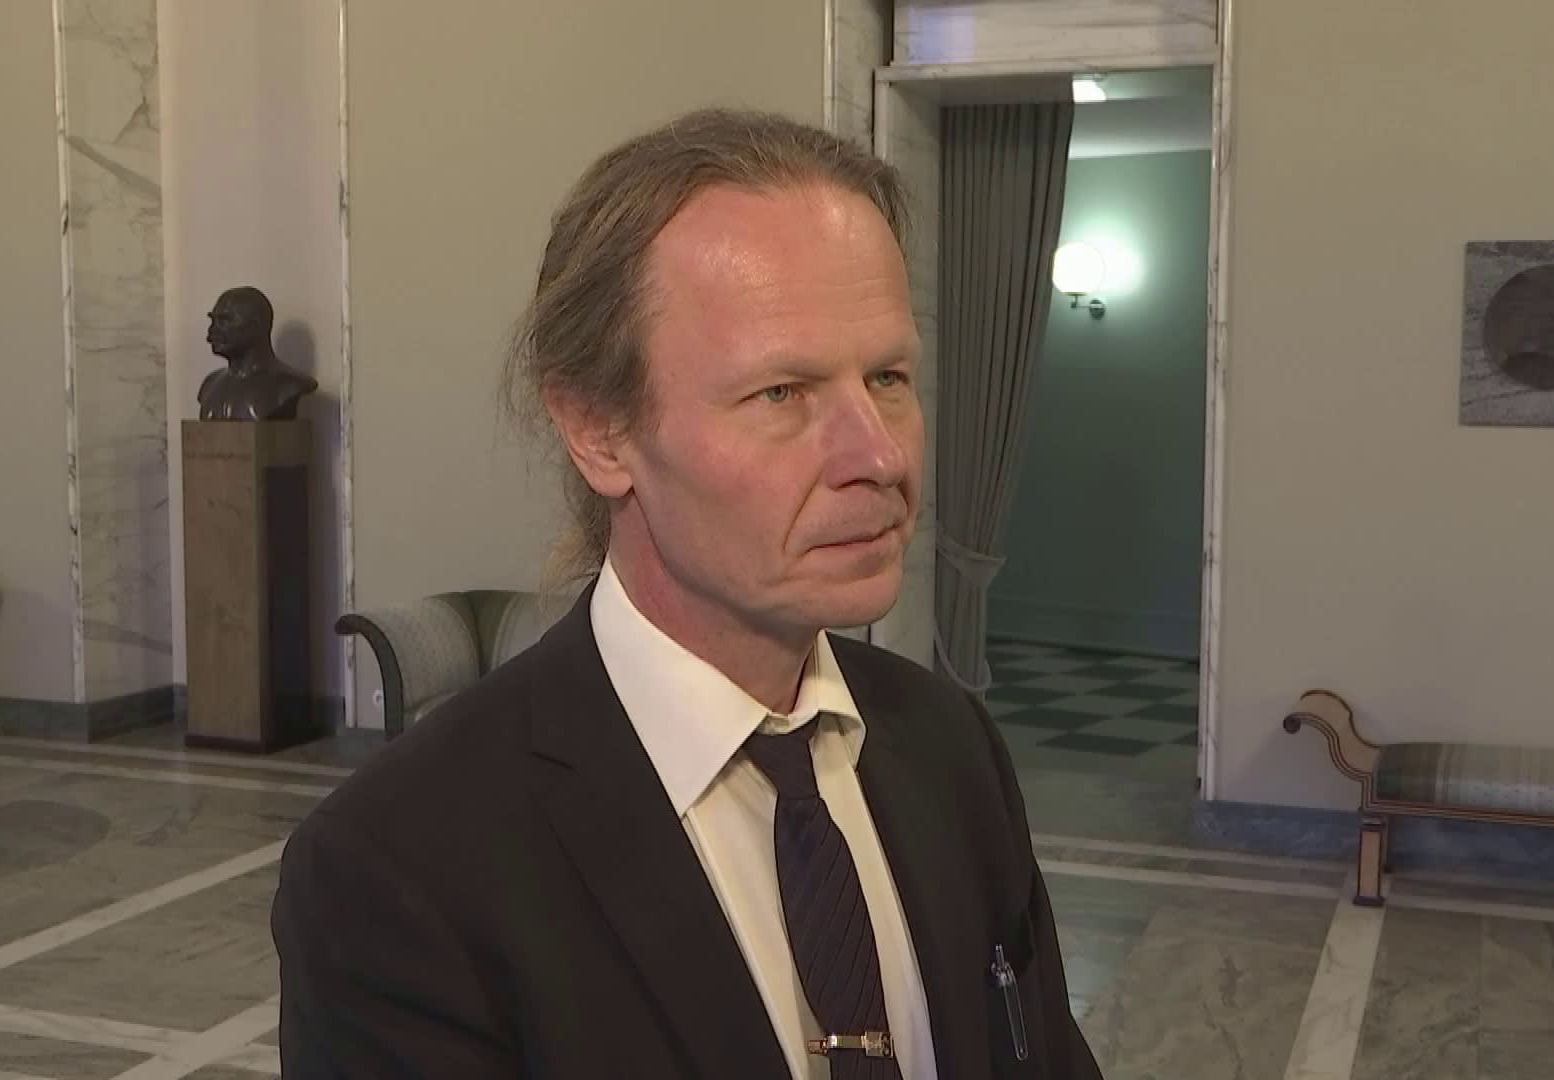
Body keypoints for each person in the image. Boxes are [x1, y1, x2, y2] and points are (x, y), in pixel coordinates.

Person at [271, 108, 1101, 1079]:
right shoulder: (398, 869)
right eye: (782, 393)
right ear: (599, 430)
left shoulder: (952, 747)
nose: (879, 456)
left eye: (888, 376)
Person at [197, 286, 318, 421]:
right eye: (213, 321)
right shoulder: (210, 384)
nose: (212, 330)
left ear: (256, 325)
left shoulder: (288, 384)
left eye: (224, 321)